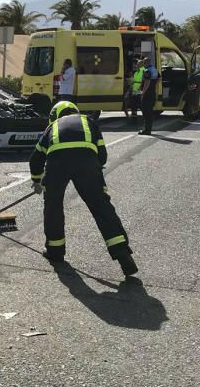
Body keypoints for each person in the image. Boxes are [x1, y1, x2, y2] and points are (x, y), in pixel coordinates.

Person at [29, 100, 137, 276]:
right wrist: (93, 169)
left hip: (57, 164)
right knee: (102, 207)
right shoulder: (89, 121)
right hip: (87, 162)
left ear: (54, 116)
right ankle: (122, 253)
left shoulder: (52, 127)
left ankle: (55, 252)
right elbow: (102, 155)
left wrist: (37, 180)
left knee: (53, 207)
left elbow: (36, 158)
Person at [137, 55, 159, 135]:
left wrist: (143, 92)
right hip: (152, 93)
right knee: (149, 112)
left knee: (146, 113)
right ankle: (148, 129)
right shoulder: (155, 70)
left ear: (145, 63)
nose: (143, 64)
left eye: (143, 62)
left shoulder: (147, 71)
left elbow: (147, 82)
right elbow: (158, 79)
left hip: (147, 94)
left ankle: (147, 130)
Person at [124, 58, 144, 127]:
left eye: (137, 64)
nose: (136, 65)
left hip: (139, 92)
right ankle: (134, 120)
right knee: (134, 106)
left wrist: (142, 90)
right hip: (134, 91)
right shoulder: (136, 72)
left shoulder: (143, 71)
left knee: (141, 106)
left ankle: (144, 120)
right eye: (136, 64)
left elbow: (144, 81)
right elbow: (134, 81)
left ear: (141, 65)